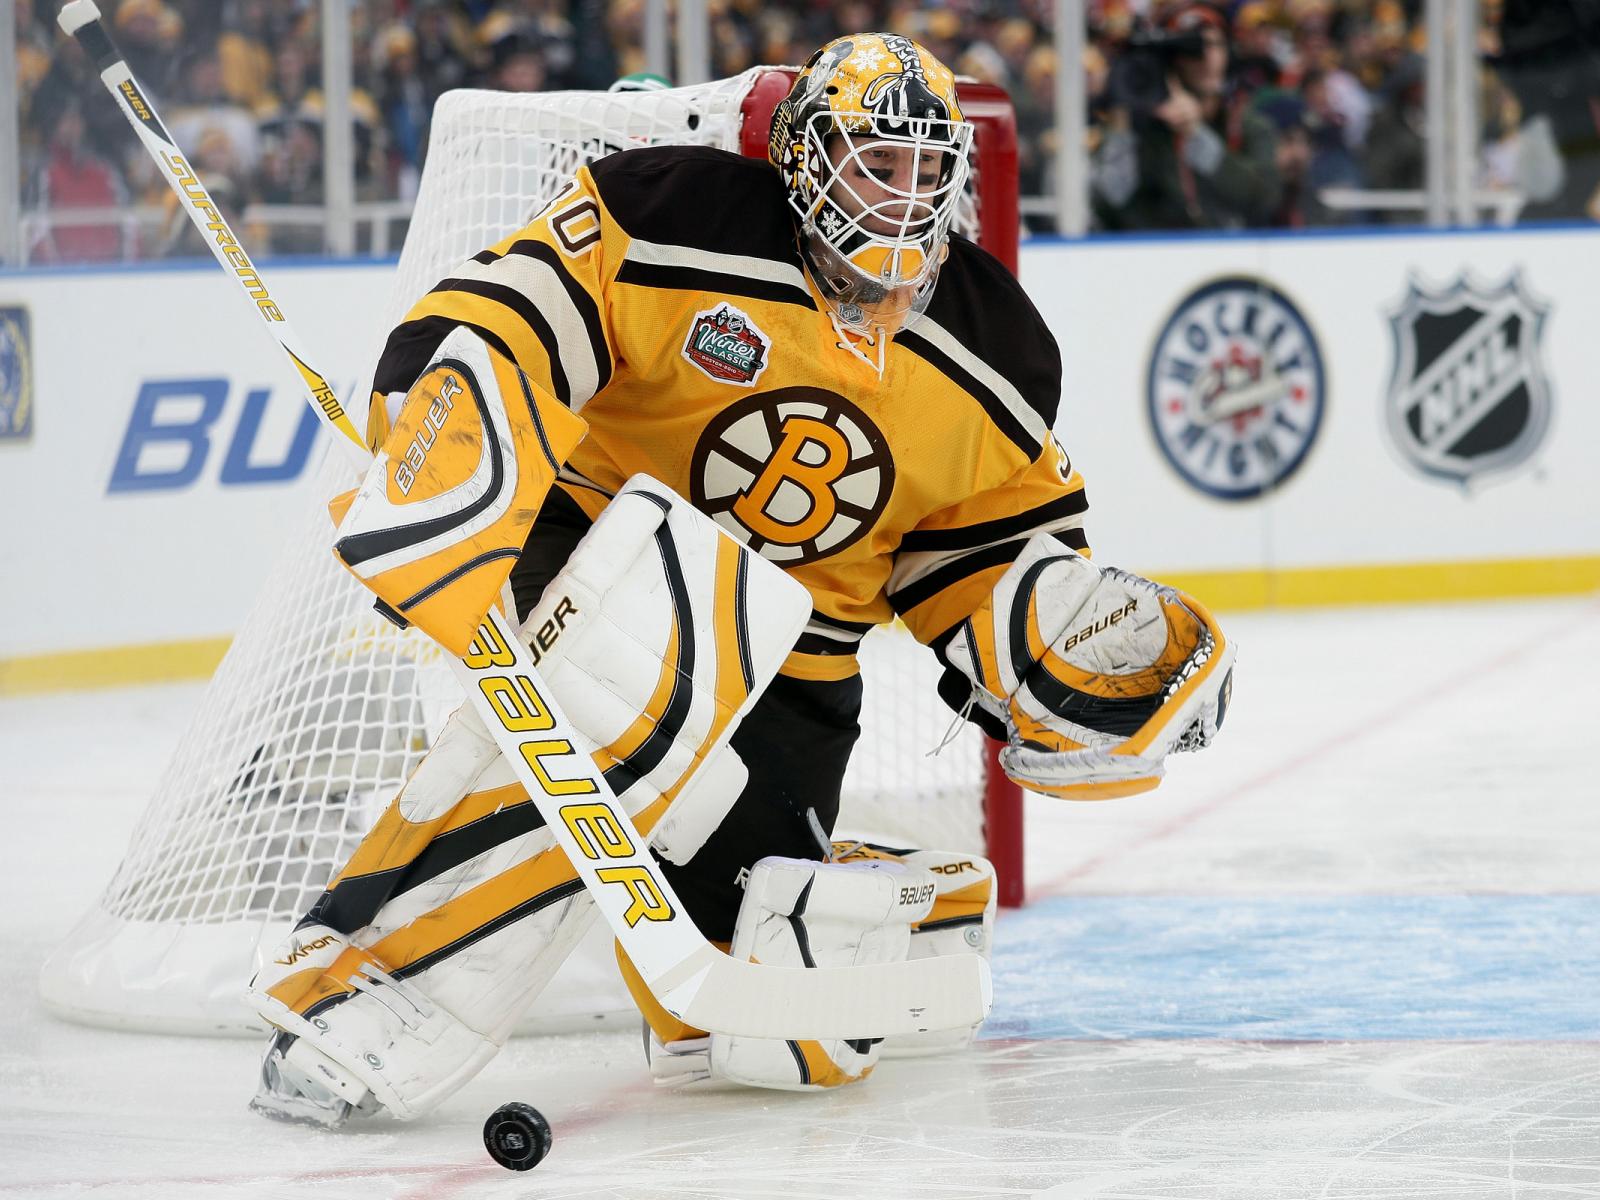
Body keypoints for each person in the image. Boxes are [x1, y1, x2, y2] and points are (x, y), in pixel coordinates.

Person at [244, 33, 1234, 1125]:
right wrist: (452, 423)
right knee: (619, 699)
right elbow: (513, 310)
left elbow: (976, 544)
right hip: (595, 551)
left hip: (800, 665)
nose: (902, 197)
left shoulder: (1001, 348)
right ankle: (366, 997)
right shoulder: (674, 213)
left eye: (924, 169)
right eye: (874, 162)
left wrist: (1043, 630)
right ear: (804, 158)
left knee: (771, 1033)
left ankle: (863, 900)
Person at [1092, 2, 1282, 230]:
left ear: (1228, 53)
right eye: (1192, 48)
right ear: (1173, 58)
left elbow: (1264, 198)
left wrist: (1195, 133)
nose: (1206, 58)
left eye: (1214, 45)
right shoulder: (1145, 129)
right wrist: (1121, 124)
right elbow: (1111, 204)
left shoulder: (1248, 125)